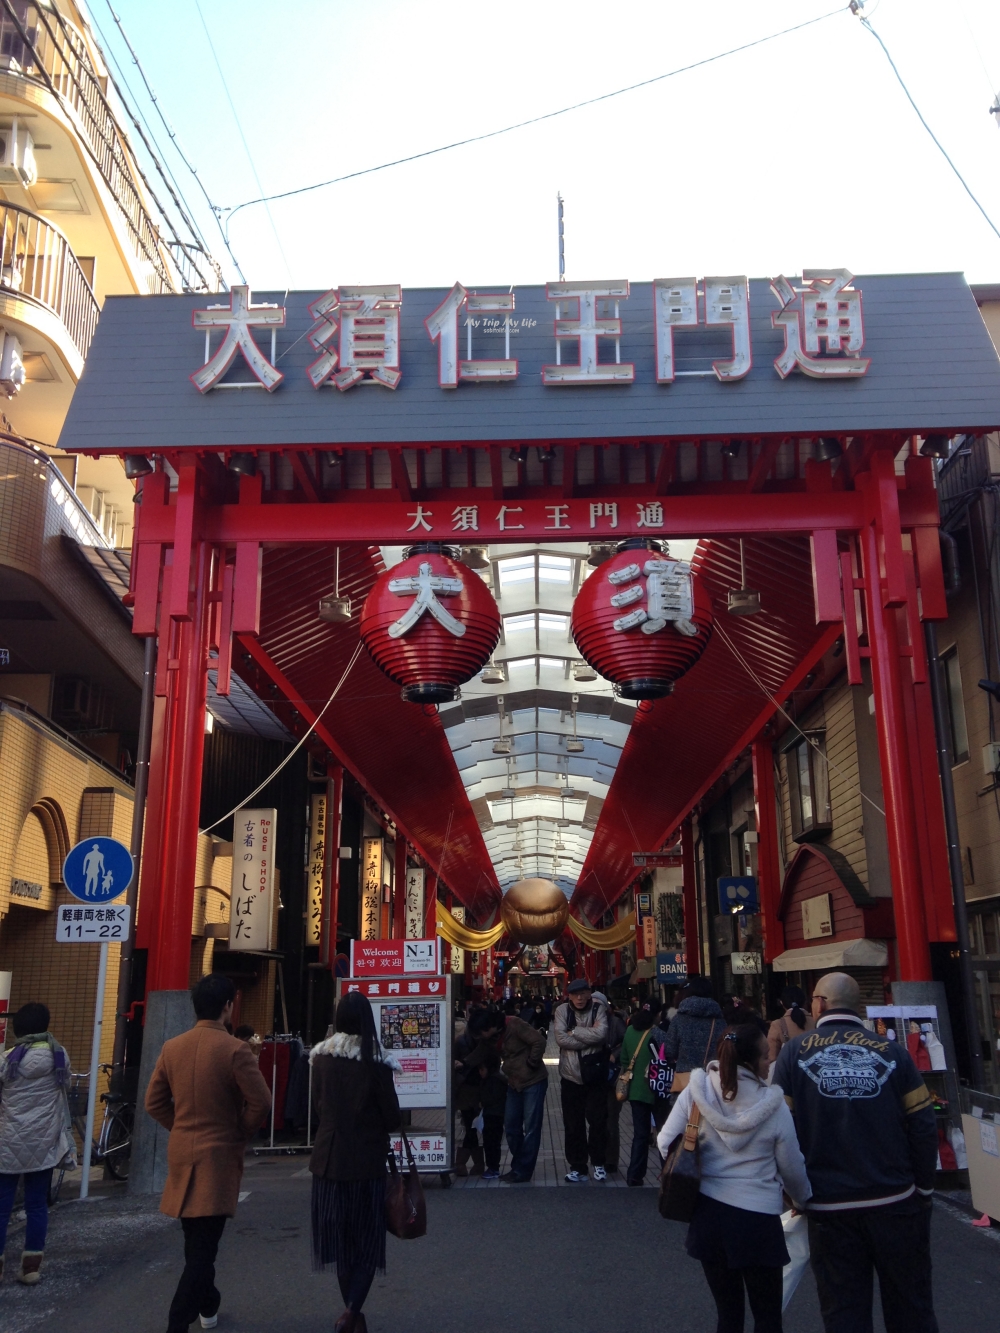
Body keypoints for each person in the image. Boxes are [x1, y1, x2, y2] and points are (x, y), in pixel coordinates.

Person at [772, 972, 939, 1333]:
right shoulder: (893, 1051)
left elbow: (780, 1133)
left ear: (820, 1003)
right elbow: (923, 1125)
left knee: (844, 1311)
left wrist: (795, 1193)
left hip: (829, 1207)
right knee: (911, 1308)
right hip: (895, 1200)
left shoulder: (793, 1053)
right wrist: (923, 1189)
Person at [658, 1024, 812, 1333]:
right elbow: (792, 1167)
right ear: (752, 1062)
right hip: (759, 1221)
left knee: (728, 1315)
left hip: (709, 1217)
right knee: (768, 1316)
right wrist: (802, 1199)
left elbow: (665, 1142)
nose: (771, 1062)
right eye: (767, 1057)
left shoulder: (696, 1092)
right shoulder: (774, 1106)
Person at [145, 973, 271, 1333]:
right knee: (204, 1249)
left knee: (195, 1242)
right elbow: (261, 1102)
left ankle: (209, 1301)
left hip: (183, 1153)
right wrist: (240, 1131)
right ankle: (177, 1322)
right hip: (218, 1156)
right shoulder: (235, 1050)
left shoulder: (172, 1047)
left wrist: (180, 1126)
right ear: (228, 1006)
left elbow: (153, 1102)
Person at [309, 990, 401, 1333]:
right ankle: (350, 1313)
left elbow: (318, 1108)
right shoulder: (375, 1061)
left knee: (340, 1240)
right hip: (366, 1160)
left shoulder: (321, 1058)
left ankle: (352, 1315)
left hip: (328, 1160)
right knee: (367, 1238)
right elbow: (392, 1118)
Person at [0, 1002, 75, 1285]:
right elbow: (65, 1085)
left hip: (8, 1143)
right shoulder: (58, 1056)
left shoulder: (7, 1060)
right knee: (36, 1206)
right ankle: (31, 1268)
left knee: (1, 1207)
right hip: (43, 1143)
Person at [553, 978, 609, 1182]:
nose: (579, 998)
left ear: (589, 993)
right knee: (573, 1124)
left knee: (597, 1122)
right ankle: (578, 1166)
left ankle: (599, 1163)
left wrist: (575, 1031)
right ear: (568, 996)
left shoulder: (598, 1009)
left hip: (595, 1076)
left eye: (583, 993)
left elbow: (602, 1034)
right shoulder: (561, 1011)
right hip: (570, 1076)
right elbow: (560, 1039)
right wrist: (588, 1037)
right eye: (574, 994)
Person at [453, 1010, 506, 1179]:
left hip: (484, 1088)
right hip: (468, 1089)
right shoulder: (463, 1041)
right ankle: (470, 1164)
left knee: (479, 1127)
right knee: (471, 1126)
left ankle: (469, 1164)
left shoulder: (487, 1042)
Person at [500, 1005, 546, 1182]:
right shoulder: (492, 1037)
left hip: (533, 1080)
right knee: (511, 1127)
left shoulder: (514, 1024)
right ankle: (519, 1165)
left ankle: (523, 1170)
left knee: (532, 1127)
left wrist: (532, 1062)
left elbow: (539, 1041)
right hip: (513, 1082)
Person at [619, 1000, 662, 1186]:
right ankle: (667, 1173)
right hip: (658, 1089)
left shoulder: (629, 1031)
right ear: (657, 1015)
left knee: (640, 1134)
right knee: (664, 1132)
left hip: (636, 1089)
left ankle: (634, 1175)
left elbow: (624, 1059)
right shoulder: (659, 1033)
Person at [661, 977, 725, 1092]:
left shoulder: (679, 1019)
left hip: (685, 1083)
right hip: (713, 1083)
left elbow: (669, 1050)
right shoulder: (719, 1021)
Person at [604, 997, 628, 1175]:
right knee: (598, 1119)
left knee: (611, 1119)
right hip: (595, 1077)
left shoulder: (616, 1022)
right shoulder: (589, 1021)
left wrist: (615, 1054)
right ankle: (599, 1156)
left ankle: (611, 1160)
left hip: (614, 1076)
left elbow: (627, 1042)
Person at [766, 985, 813, 1066]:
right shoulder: (817, 1021)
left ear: (781, 1002)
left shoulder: (777, 1025)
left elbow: (771, 1058)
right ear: (805, 1001)